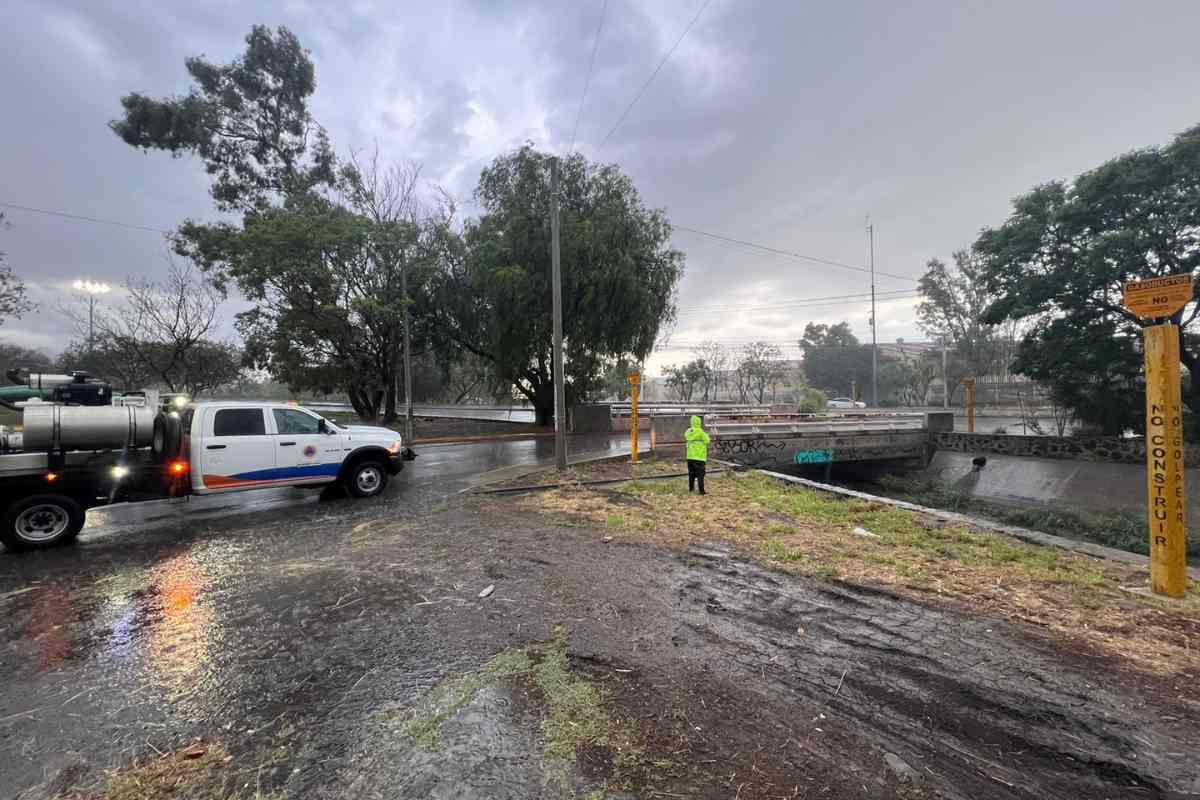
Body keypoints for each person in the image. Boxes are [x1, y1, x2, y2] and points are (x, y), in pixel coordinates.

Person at [684, 414, 710, 495]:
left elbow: (685, 436)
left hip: (690, 457)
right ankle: (701, 491)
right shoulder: (701, 432)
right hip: (699, 458)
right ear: (699, 422)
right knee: (700, 475)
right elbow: (707, 440)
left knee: (691, 474)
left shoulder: (688, 431)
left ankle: (691, 489)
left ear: (691, 422)